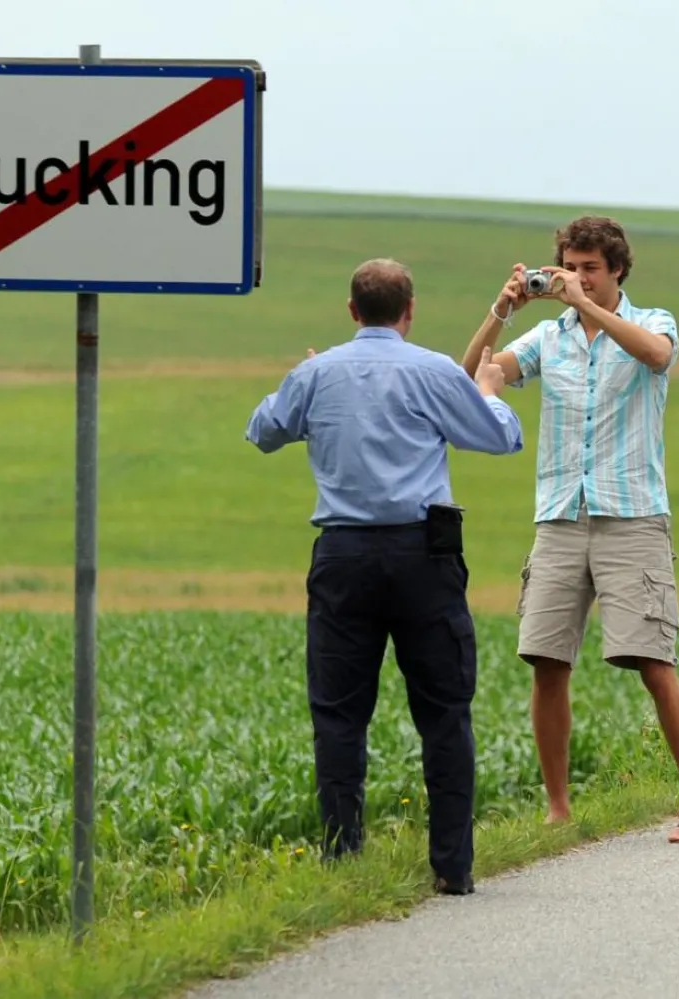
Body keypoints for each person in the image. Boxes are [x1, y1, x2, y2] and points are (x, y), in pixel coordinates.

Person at [245, 257, 524, 895]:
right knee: (445, 711)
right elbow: (497, 438)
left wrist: (306, 379)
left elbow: (262, 432)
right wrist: (490, 395)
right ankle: (452, 866)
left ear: (351, 312)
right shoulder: (430, 370)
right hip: (424, 555)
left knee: (339, 714)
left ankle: (343, 860)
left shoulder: (317, 373)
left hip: (342, 556)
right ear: (410, 311)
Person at [458, 216, 679, 845]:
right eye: (569, 267)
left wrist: (587, 308)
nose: (577, 279)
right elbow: (470, 378)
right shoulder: (547, 338)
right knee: (546, 662)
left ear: (617, 271)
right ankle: (558, 811)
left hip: (631, 514)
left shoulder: (653, 321)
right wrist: (501, 309)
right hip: (560, 513)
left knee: (653, 662)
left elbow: (656, 357)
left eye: (590, 269)